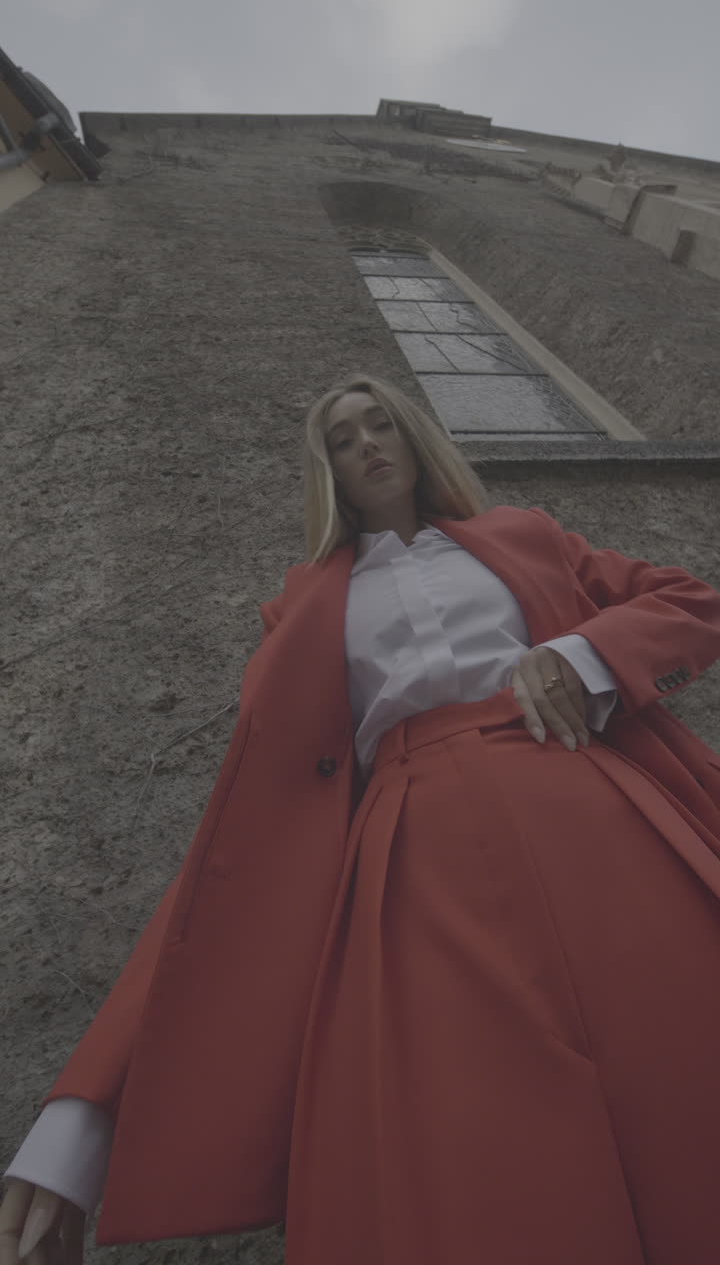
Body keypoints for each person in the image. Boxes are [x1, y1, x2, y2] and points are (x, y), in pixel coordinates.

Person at [2, 372, 720, 1265]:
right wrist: (78, 1126)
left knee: (686, 1061)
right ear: (326, 471)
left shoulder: (522, 537)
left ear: (416, 438)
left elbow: (692, 600)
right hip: (416, 859)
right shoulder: (302, 610)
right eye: (342, 439)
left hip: (590, 804)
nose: (367, 444)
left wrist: (583, 654)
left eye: (382, 424)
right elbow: (238, 860)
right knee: (479, 1141)